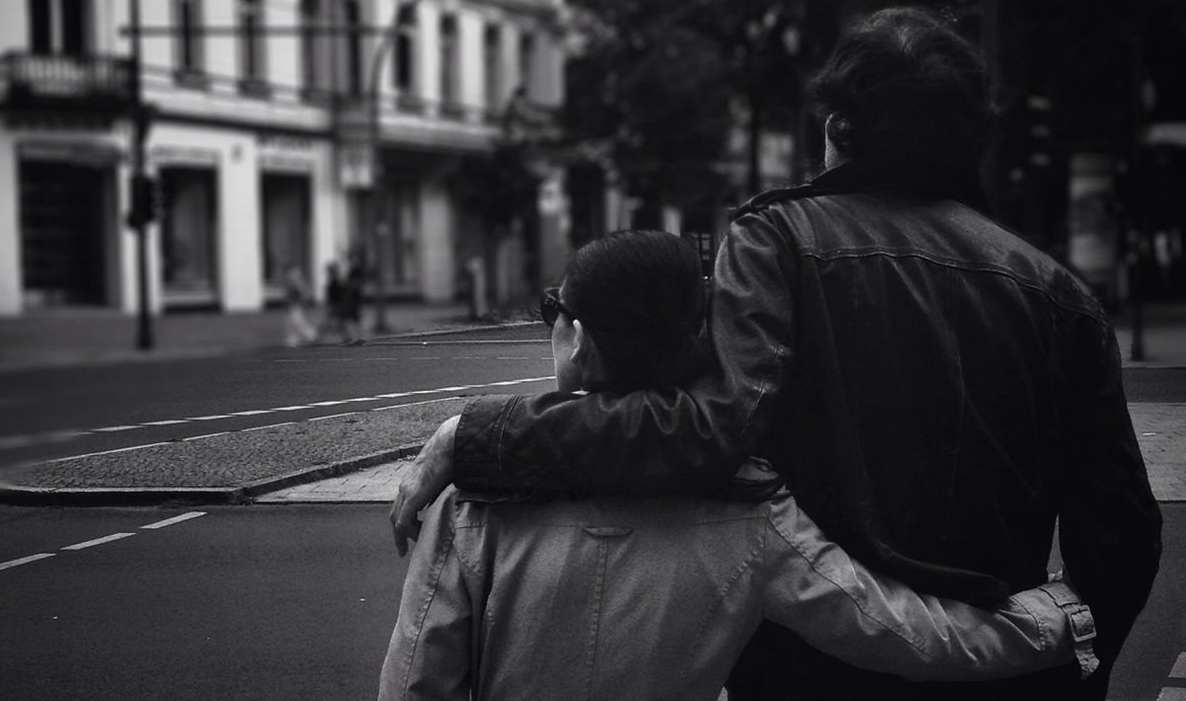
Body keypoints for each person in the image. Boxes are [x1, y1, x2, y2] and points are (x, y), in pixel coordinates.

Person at [390, 7, 1162, 700]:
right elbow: (1123, 535)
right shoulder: (1060, 296)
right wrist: (1066, 665)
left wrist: (479, 437)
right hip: (996, 668)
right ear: (969, 140)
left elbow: (708, 434)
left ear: (839, 130)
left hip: (810, 676)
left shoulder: (779, 240)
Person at [379, 231, 1095, 701]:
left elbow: (415, 684)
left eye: (553, 310)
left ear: (580, 339)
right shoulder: (753, 517)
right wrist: (1055, 618)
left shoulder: (473, 495)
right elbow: (911, 635)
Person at [282, 264, 317, 348]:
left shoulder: (297, 283)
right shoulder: (291, 283)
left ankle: (311, 335)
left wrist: (302, 300)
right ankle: (292, 340)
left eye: (291, 273)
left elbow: (303, 294)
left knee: (297, 322)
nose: (288, 275)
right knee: (290, 323)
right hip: (291, 306)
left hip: (295, 306)